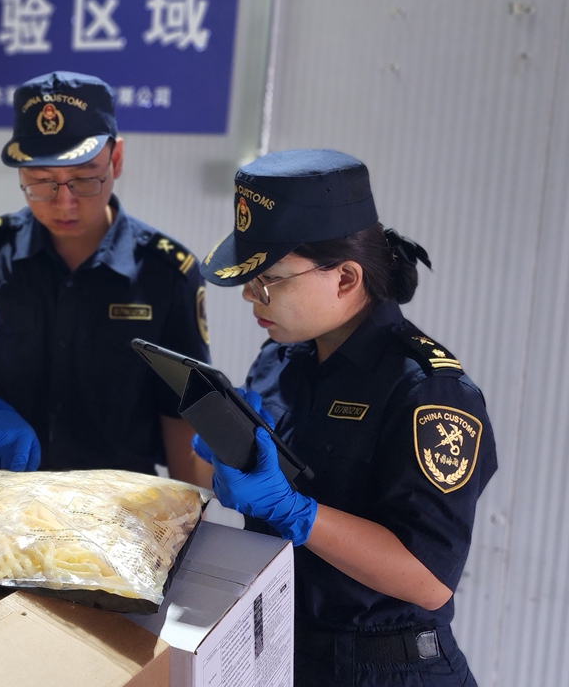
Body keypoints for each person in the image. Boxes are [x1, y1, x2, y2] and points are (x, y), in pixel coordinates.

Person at [194, 149, 497, 686]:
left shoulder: (430, 391)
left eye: (269, 279)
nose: (249, 294)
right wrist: (225, 449)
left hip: (387, 666)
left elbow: (429, 578)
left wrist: (297, 512)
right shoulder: (281, 358)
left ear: (344, 278)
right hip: (284, 650)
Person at [0, 71, 211, 482]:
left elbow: (181, 415)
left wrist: (191, 519)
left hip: (119, 509)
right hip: (3, 495)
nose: (64, 202)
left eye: (84, 178)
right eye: (41, 182)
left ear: (116, 159)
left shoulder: (166, 273)